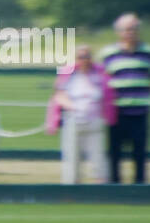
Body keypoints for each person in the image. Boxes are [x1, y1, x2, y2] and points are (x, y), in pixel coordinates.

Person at [100, 13, 150, 184]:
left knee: (140, 152)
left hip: (140, 111)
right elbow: (103, 81)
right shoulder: (108, 53)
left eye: (134, 29)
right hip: (117, 111)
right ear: (118, 31)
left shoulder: (149, 52)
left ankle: (140, 187)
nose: (130, 33)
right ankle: (114, 187)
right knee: (114, 153)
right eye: (126, 29)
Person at [46, 45, 114, 183]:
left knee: (99, 158)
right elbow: (58, 94)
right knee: (72, 158)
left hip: (94, 122)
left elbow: (107, 94)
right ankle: (71, 187)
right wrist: (70, 106)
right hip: (73, 122)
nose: (84, 60)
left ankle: (102, 187)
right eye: (81, 57)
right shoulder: (68, 73)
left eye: (87, 56)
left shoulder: (99, 73)